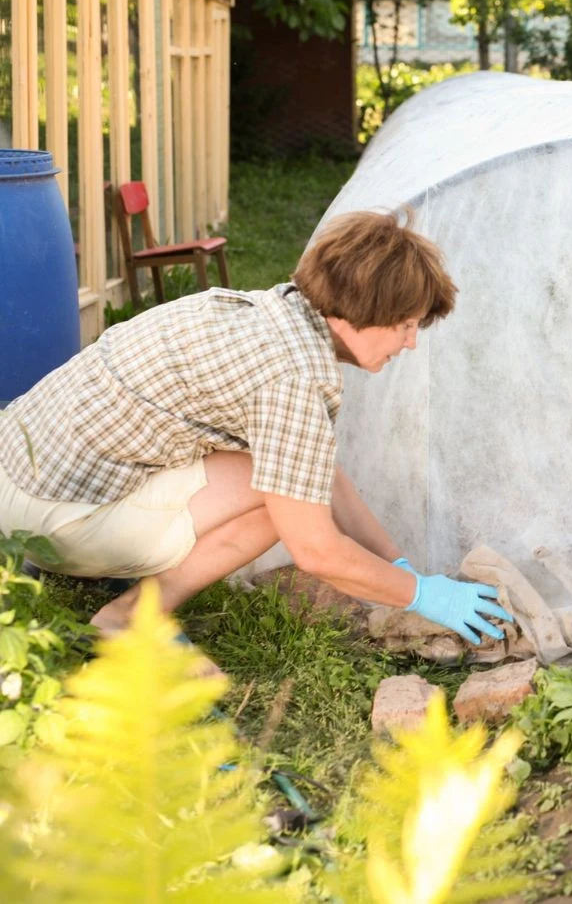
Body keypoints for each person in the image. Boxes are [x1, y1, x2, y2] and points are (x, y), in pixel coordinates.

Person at [0, 208, 511, 668]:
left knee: (296, 479)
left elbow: (318, 470)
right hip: (49, 517)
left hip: (16, 471)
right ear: (363, 310)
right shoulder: (291, 378)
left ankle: (106, 560)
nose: (410, 343)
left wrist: (394, 563)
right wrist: (422, 594)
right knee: (283, 506)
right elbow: (315, 551)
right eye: (405, 325)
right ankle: (128, 616)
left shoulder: (268, 315)